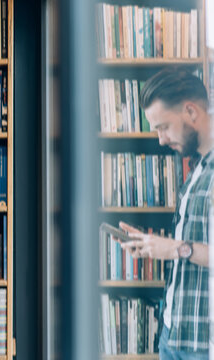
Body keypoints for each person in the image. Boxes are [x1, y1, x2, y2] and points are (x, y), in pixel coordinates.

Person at [119, 68, 213, 359]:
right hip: (173, 335)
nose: (160, 139)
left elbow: (184, 250)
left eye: (163, 127)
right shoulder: (198, 167)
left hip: (202, 343)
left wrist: (176, 249)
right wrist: (151, 246)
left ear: (190, 111)